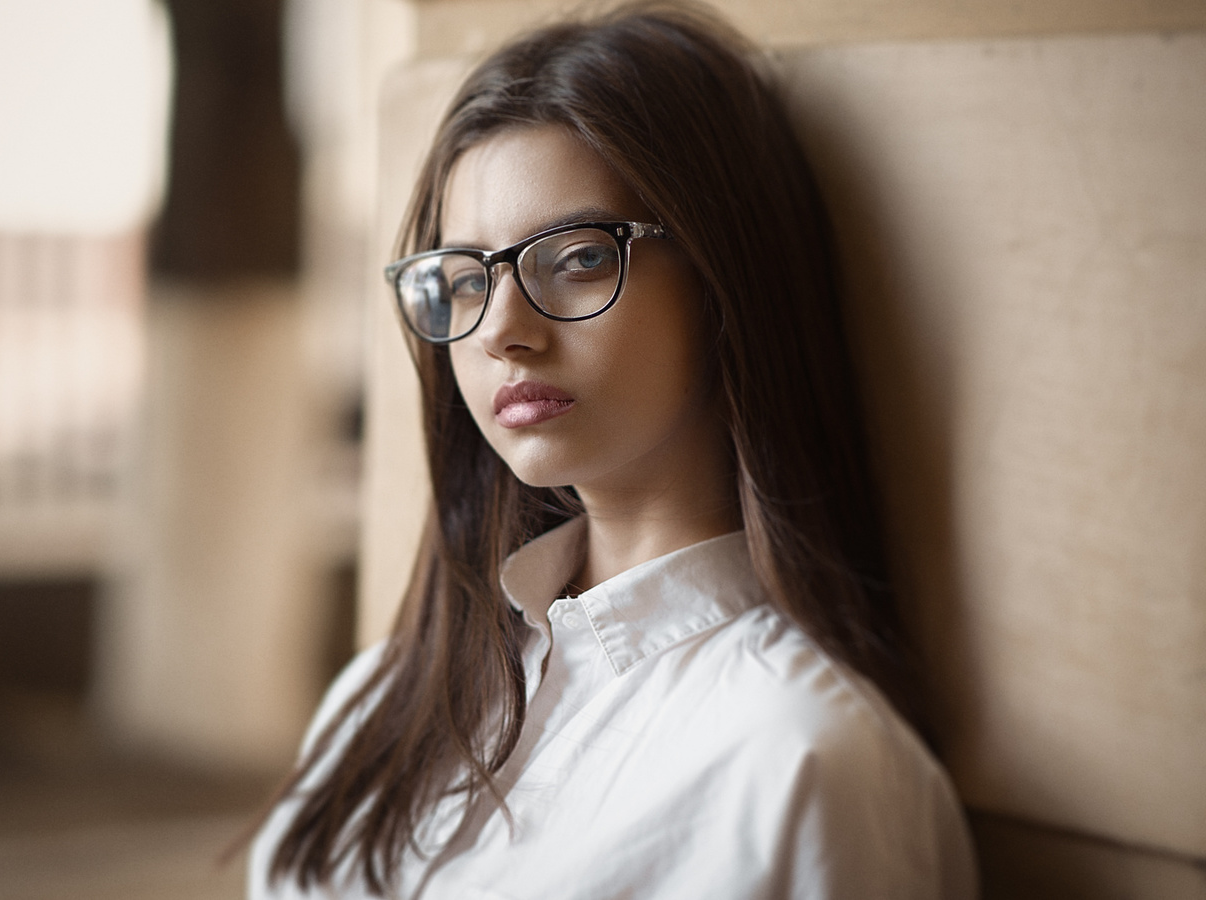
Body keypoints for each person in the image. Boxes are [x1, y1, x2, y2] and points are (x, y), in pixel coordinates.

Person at [249, 3, 977, 897]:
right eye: (468, 278)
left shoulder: (801, 761)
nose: (502, 333)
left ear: (723, 277)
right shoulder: (383, 702)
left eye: (580, 257)